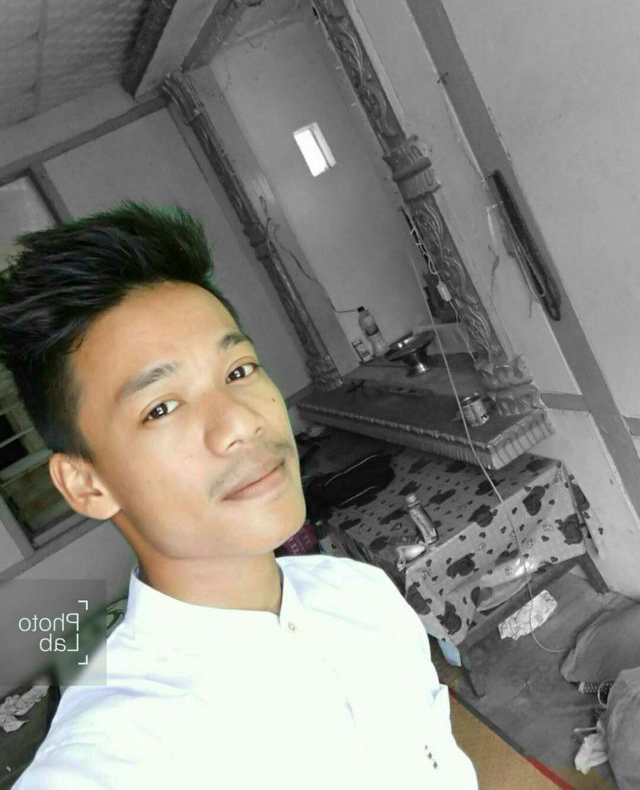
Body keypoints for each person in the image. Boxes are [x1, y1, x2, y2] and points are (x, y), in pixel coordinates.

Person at [0, 202, 477, 789]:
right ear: (87, 484)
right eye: (162, 407)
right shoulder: (114, 757)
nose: (242, 423)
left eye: (239, 371)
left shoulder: (362, 594)